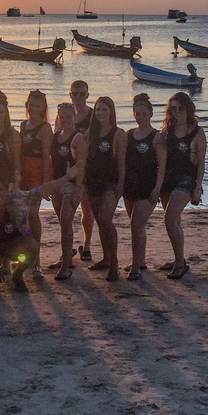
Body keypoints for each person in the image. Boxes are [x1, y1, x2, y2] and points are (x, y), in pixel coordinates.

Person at [0, 174, 70, 291]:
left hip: (15, 244)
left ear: (7, 191)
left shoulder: (18, 200)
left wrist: (68, 177)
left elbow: (43, 189)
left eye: (1, 190)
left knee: (32, 245)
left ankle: (18, 274)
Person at [159, 92, 207, 279]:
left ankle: (180, 263)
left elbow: (201, 163)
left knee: (170, 218)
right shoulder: (167, 130)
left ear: (188, 109)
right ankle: (179, 258)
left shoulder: (196, 132)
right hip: (168, 180)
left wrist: (197, 188)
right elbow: (159, 152)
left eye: (181, 108)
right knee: (175, 221)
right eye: (174, 108)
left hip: (187, 180)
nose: (177, 112)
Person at [78, 96, 126, 281]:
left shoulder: (118, 133)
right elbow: (84, 158)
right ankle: (105, 259)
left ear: (111, 112)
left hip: (111, 182)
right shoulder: (91, 132)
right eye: (98, 110)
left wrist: (121, 184)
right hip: (93, 182)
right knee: (100, 221)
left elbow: (121, 161)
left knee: (106, 219)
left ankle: (114, 263)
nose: (101, 113)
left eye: (105, 110)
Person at [123, 94, 166, 281]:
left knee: (136, 224)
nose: (140, 117)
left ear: (150, 114)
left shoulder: (157, 137)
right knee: (137, 228)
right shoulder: (129, 134)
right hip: (129, 187)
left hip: (147, 187)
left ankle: (135, 267)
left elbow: (162, 165)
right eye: (137, 114)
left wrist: (157, 188)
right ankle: (140, 260)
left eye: (144, 114)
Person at [48, 103, 86, 280]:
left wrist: (79, 189)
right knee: (64, 224)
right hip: (57, 184)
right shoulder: (56, 137)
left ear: (75, 118)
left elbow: (81, 165)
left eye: (68, 117)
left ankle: (65, 267)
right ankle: (67, 258)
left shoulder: (78, 138)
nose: (65, 121)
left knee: (65, 222)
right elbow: (52, 163)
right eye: (61, 117)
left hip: (71, 185)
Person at [19, 89, 53, 280]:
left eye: (37, 105)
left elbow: (47, 155)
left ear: (43, 108)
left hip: (36, 172)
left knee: (33, 214)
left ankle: (37, 260)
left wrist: (46, 182)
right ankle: (23, 255)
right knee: (21, 214)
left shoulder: (45, 128)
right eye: (31, 104)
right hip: (23, 172)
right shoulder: (24, 125)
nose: (33, 108)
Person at [70, 79, 95, 262]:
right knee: (67, 210)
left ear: (87, 95)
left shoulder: (94, 117)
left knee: (87, 210)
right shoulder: (64, 115)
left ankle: (86, 247)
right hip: (69, 170)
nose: (78, 97)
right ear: (70, 95)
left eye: (82, 94)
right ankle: (68, 247)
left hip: (89, 169)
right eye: (75, 93)